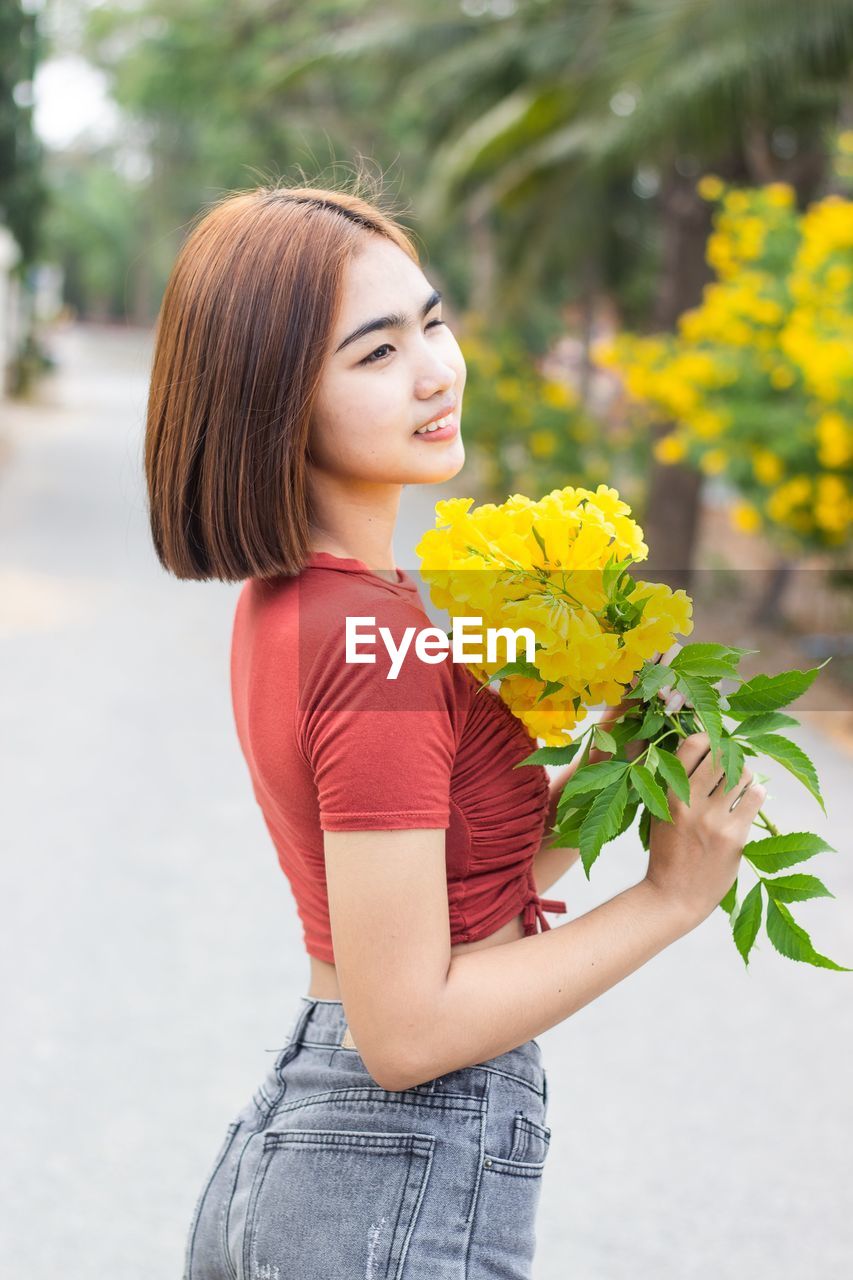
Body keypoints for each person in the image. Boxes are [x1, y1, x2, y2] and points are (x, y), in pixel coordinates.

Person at [144, 177, 766, 1280]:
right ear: (271, 400)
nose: (438, 368)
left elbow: (449, 896)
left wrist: (608, 769)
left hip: (321, 1159)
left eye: (431, 320)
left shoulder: (302, 603)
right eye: (375, 353)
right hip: (392, 1170)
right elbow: (409, 1028)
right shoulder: (360, 631)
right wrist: (670, 898)